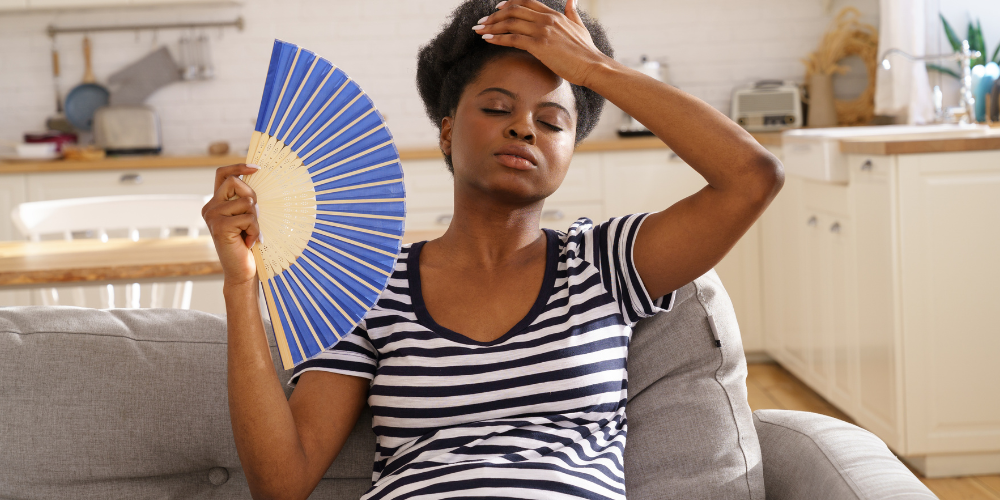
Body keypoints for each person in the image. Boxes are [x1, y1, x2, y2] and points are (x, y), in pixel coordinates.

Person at [201, 0, 783, 498]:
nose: (525, 128)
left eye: (553, 122)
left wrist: (594, 69)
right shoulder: (371, 283)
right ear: (448, 131)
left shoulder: (604, 262)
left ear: (570, 150)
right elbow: (281, 482)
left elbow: (752, 177)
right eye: (498, 109)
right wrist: (240, 284)